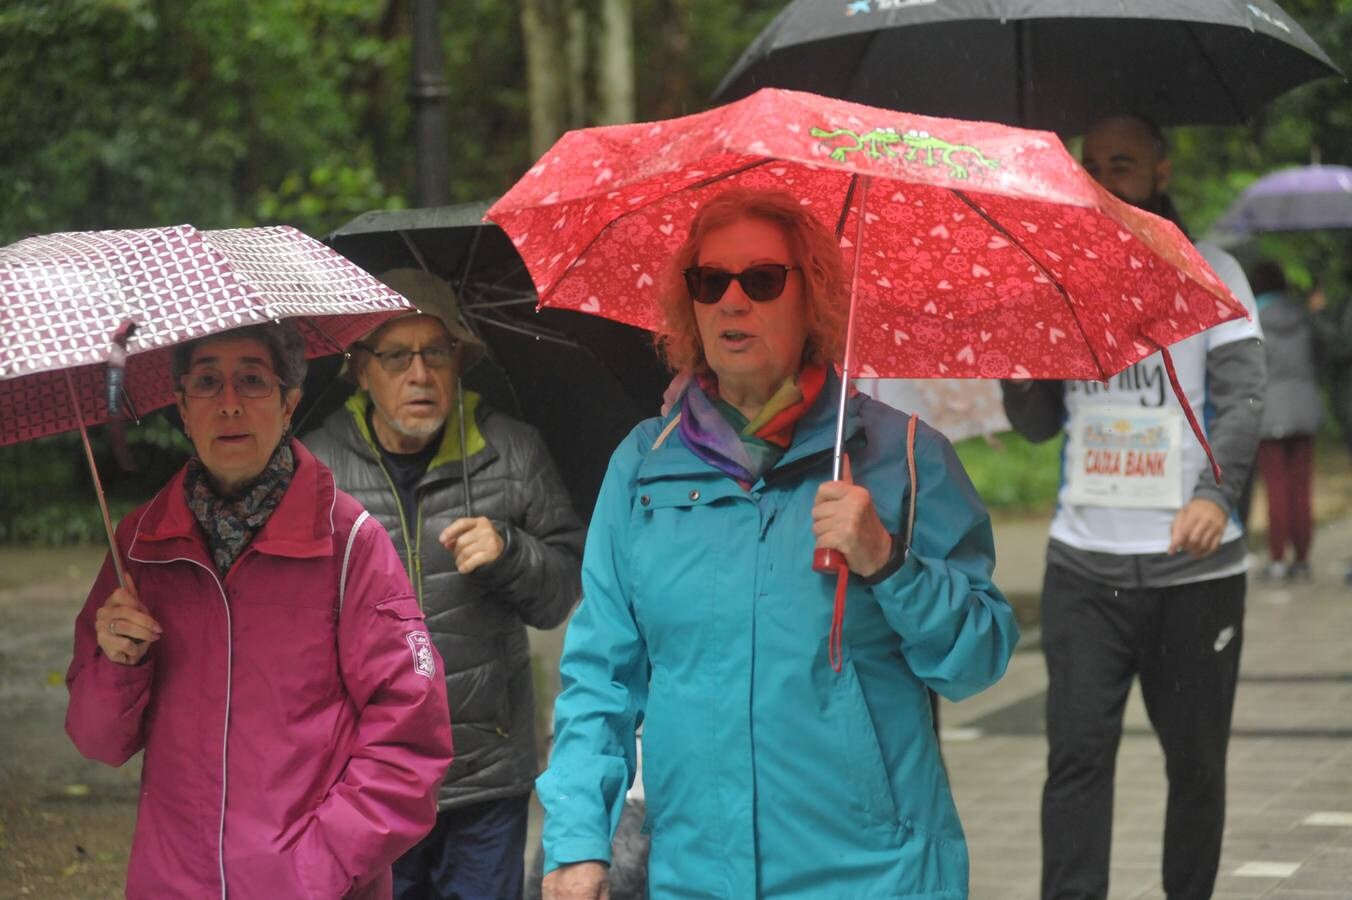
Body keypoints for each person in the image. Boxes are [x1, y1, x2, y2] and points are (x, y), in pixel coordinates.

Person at [539, 188, 1020, 899]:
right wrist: (577, 842)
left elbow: (979, 658)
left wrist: (889, 564)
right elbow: (600, 674)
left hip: (873, 874)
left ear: (814, 299)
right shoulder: (643, 466)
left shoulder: (906, 456)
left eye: (761, 281)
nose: (732, 302)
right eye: (710, 281)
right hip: (698, 873)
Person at [65, 321, 454, 898]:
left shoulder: (349, 542)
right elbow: (98, 740)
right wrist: (117, 663)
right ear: (181, 404)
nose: (228, 404)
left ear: (289, 400)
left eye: (251, 380)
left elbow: (410, 738)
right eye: (206, 382)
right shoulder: (140, 544)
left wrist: (316, 865)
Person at [1003, 114, 1265, 900]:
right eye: (1091, 165)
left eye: (1122, 162)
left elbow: (1246, 401)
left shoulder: (1213, 270)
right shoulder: (1058, 279)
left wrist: (1216, 497)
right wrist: (1022, 354)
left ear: (1160, 171)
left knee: (1195, 766)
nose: (1104, 178)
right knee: (1077, 758)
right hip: (1084, 569)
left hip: (1196, 573)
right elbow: (1035, 423)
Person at [304, 268, 585, 900]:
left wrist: (510, 553)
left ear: (460, 362)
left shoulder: (513, 451)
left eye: (437, 352)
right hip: (368, 772)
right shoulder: (317, 468)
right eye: (397, 356)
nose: (421, 374)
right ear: (359, 368)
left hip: (486, 772)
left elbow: (563, 593)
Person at [1249, 259, 1323, 582]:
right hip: (1305, 410)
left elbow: (1253, 372)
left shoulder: (1254, 322)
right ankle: (1303, 558)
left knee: (1276, 488)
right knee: (1301, 488)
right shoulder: (1304, 318)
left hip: (1271, 414)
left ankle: (1277, 559)